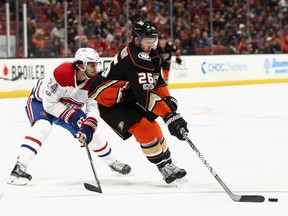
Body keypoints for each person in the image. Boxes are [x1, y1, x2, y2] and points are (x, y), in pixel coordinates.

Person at [8, 48, 131, 186]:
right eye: (91, 65)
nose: (95, 68)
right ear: (80, 65)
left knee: (91, 133)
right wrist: (71, 117)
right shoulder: (62, 73)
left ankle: (112, 162)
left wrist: (89, 125)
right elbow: (49, 105)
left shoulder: (95, 81)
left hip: (68, 108)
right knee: (43, 127)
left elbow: (93, 108)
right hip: (41, 102)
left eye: (96, 64)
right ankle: (19, 168)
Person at [87, 20, 189, 184]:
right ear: (136, 39)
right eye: (147, 42)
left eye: (152, 41)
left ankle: (169, 163)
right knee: (144, 128)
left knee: (153, 125)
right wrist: (169, 116)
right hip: (111, 103)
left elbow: (158, 82)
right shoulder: (135, 59)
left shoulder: (151, 55)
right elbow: (146, 96)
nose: (151, 45)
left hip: (128, 96)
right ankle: (162, 166)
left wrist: (167, 99)